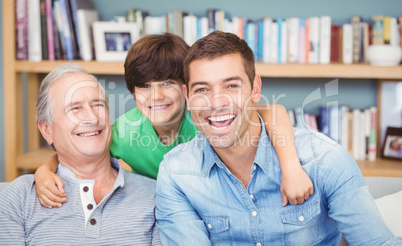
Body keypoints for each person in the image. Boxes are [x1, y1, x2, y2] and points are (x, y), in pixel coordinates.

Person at [155, 31, 402, 245]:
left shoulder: (324, 160)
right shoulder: (176, 175)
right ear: (187, 97)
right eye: (202, 89)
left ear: (255, 88)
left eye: (232, 86)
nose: (217, 103)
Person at [35, 33, 313, 208]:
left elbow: (271, 111)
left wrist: (290, 167)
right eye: (144, 86)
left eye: (167, 82)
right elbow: (80, 152)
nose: (156, 95)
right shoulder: (123, 132)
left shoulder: (208, 117)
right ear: (133, 92)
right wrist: (44, 171)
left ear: (186, 89)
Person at [0, 64, 161, 245]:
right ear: (47, 130)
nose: (92, 117)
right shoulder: (18, 198)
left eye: (98, 105)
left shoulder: (155, 196)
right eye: (75, 108)